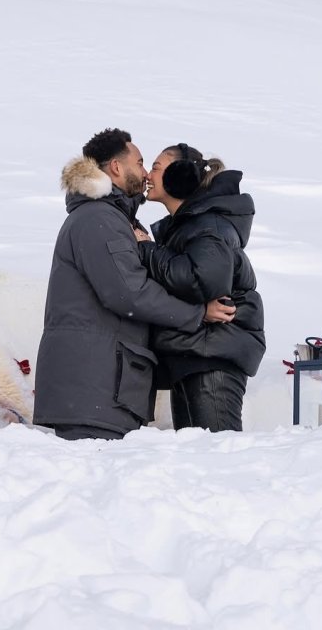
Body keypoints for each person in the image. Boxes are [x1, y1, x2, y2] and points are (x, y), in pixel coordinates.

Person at [33, 128, 236, 441]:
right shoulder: (99, 218)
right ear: (116, 167)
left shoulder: (111, 218)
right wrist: (197, 314)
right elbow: (129, 293)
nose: (144, 173)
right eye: (141, 163)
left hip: (101, 392)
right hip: (93, 394)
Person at [136, 143, 266, 432]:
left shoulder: (208, 226)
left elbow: (202, 280)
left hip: (212, 359)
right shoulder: (191, 226)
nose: (148, 176)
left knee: (218, 458)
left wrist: (147, 250)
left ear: (179, 176)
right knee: (199, 461)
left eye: (156, 168)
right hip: (197, 356)